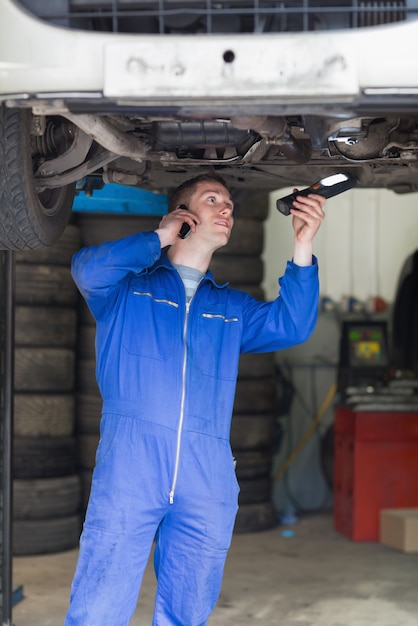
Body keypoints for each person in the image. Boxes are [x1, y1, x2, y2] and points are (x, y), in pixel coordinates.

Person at [64, 173, 326, 626]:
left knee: (188, 611)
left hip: (206, 474)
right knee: (98, 607)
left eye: (229, 204)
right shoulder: (126, 291)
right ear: (184, 214)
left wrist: (302, 246)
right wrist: (159, 237)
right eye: (213, 200)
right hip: (131, 467)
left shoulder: (230, 309)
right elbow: (87, 269)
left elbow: (292, 325)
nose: (227, 209)